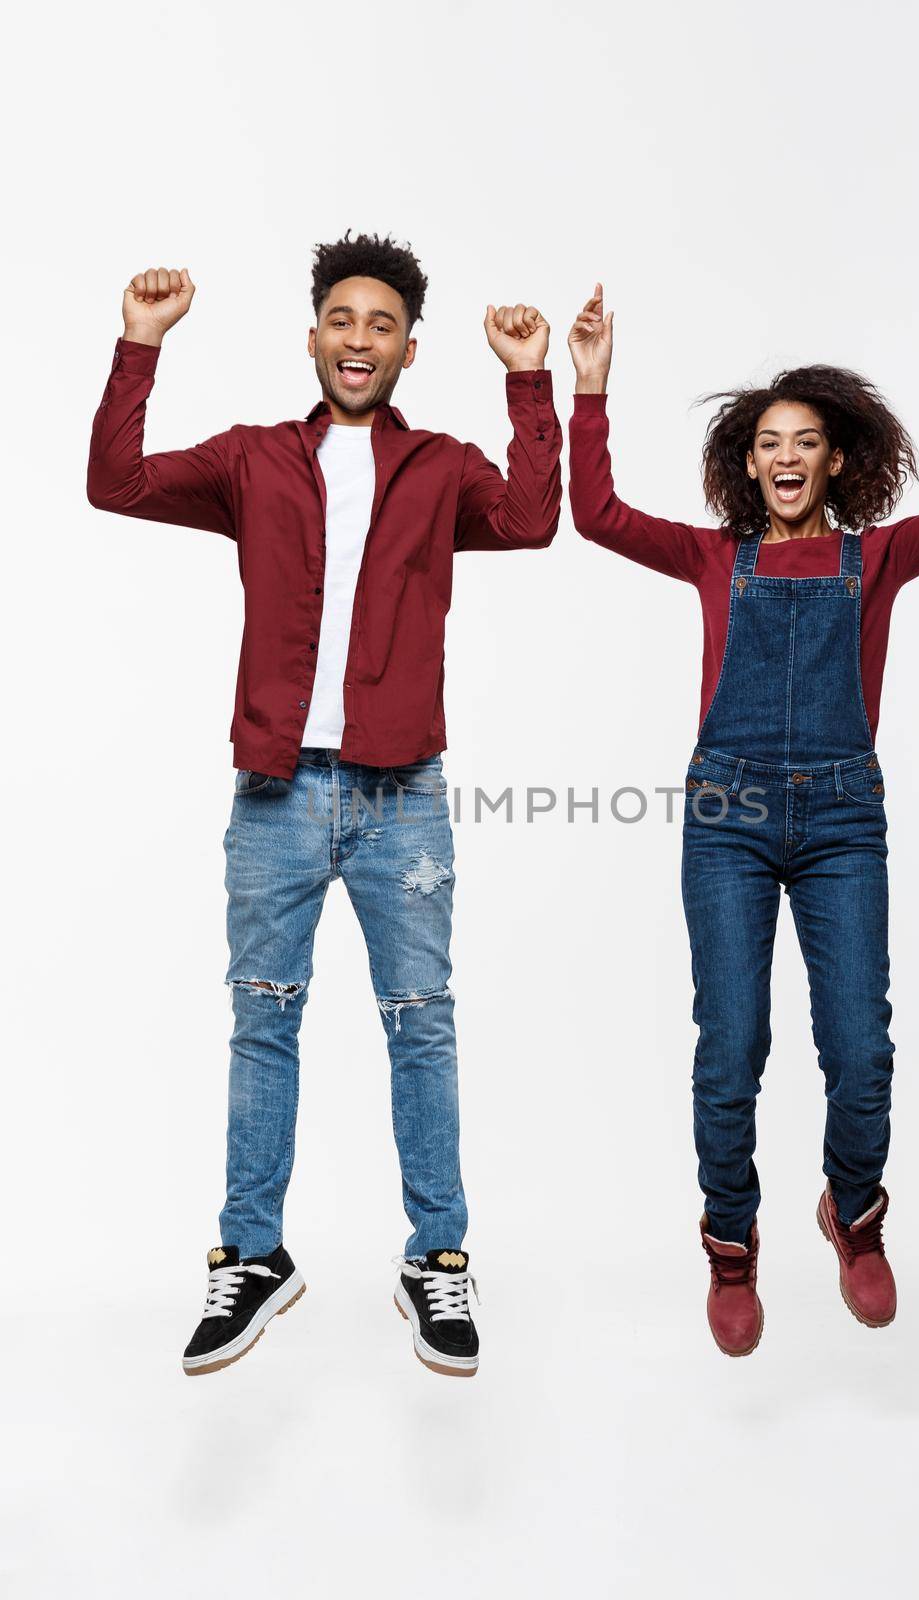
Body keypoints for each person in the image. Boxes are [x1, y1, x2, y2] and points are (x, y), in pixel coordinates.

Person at [87, 232, 562, 1378]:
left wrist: (529, 381)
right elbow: (120, 482)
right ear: (313, 337)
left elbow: (536, 517)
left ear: (407, 346)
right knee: (263, 1022)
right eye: (341, 319)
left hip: (403, 795)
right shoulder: (253, 459)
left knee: (421, 1023)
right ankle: (252, 1254)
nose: (359, 339)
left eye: (381, 323)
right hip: (277, 792)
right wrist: (139, 347)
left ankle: (435, 1257)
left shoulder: (442, 466)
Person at [566, 271, 919, 1355]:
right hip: (723, 815)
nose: (782, 455)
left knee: (858, 1047)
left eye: (802, 440)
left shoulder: (879, 556)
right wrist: (588, 389)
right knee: (730, 1045)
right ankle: (730, 1242)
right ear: (743, 459)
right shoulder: (715, 558)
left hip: (841, 822)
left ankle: (851, 1215)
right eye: (766, 439)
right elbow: (595, 515)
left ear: (833, 460)